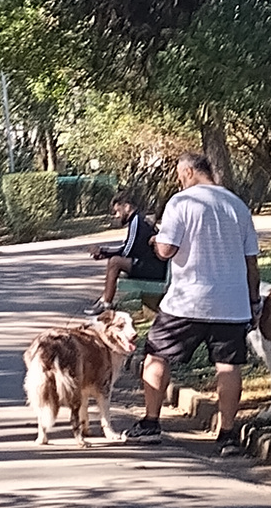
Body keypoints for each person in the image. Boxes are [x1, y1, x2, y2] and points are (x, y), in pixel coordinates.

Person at [124, 152, 260, 456]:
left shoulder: (181, 202)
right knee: (229, 366)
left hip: (187, 302)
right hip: (232, 303)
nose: (178, 180)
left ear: (188, 172)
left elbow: (167, 249)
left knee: (156, 355)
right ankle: (227, 435)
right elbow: (251, 262)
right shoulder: (237, 205)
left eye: (178, 174)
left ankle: (150, 423)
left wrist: (156, 242)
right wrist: (253, 302)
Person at [84, 191, 168, 314]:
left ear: (127, 207)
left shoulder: (136, 221)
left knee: (115, 262)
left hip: (152, 268)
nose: (117, 216)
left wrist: (103, 251)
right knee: (114, 260)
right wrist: (104, 253)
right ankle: (104, 300)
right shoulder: (139, 219)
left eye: (118, 211)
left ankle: (106, 303)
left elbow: (127, 251)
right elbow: (128, 248)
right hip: (150, 265)